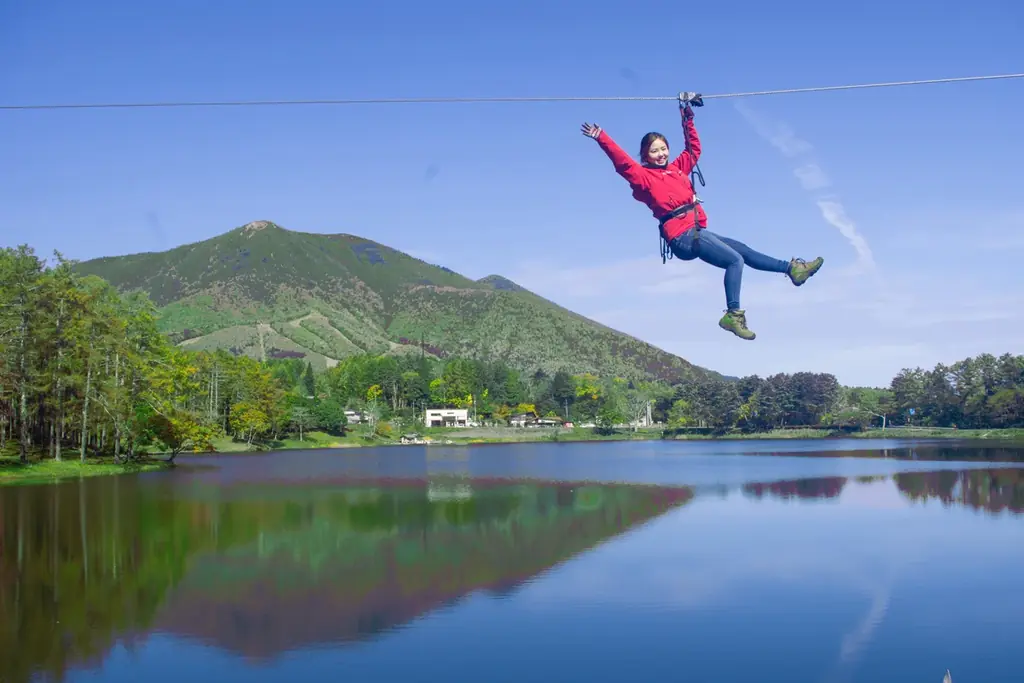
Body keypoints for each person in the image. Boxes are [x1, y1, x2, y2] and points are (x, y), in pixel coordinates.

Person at [580, 92, 823, 340]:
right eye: (654, 151)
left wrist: (686, 114)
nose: (661, 154)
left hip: (696, 230)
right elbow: (623, 163)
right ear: (645, 156)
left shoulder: (677, 169)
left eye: (663, 148)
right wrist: (602, 138)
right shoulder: (643, 177)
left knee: (744, 251)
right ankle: (733, 315)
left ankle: (793, 270)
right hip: (681, 236)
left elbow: (693, 149)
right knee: (734, 260)